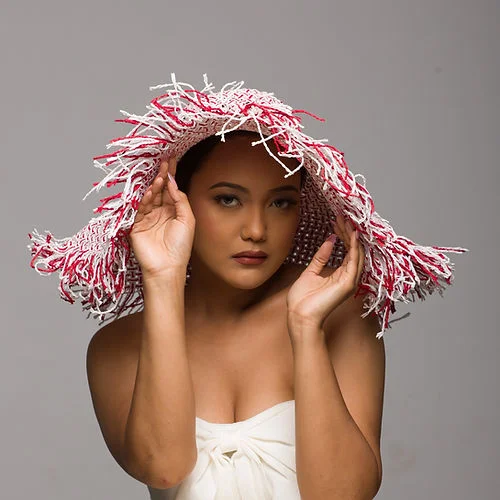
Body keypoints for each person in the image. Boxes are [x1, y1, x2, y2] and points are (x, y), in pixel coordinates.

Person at [86, 129, 386, 499]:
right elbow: (163, 468)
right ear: (176, 200)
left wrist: (307, 329)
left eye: (280, 203)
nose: (256, 230)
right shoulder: (119, 346)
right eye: (228, 200)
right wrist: (162, 278)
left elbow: (344, 494)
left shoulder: (339, 316)